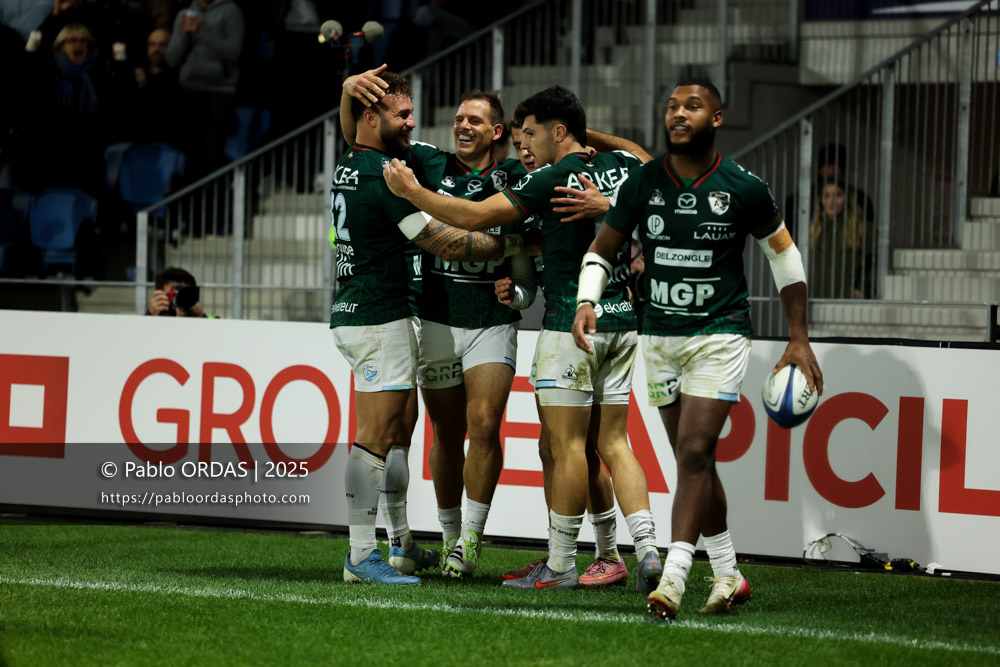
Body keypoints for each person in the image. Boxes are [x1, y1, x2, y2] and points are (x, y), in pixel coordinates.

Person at [383, 85, 663, 593]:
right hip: (622, 318)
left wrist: (412, 195)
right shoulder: (623, 166)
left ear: (558, 132)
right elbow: (646, 159)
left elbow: (475, 218)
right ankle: (643, 549)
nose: (522, 144)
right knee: (612, 442)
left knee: (565, 446)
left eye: (530, 132)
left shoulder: (551, 178)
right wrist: (584, 138)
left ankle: (560, 563)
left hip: (570, 323)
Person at [572, 79, 823, 621]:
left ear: (716, 118)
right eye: (671, 106)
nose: (678, 114)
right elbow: (603, 247)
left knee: (692, 452)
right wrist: (586, 300)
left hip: (720, 334)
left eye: (692, 106)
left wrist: (798, 337)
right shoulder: (643, 183)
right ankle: (729, 573)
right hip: (658, 336)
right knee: (697, 462)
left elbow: (785, 259)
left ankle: (674, 580)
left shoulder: (743, 187)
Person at [332, 70, 534, 586]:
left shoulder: (516, 176)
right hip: (422, 317)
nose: (460, 125)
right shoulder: (419, 161)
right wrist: (511, 246)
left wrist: (525, 287)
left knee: (473, 427)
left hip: (483, 322)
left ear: (496, 132)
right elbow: (448, 243)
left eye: (475, 119)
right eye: (458, 117)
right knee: (420, 433)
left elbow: (358, 135)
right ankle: (405, 545)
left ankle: (453, 542)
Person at [166, 0, 243, 182]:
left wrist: (201, 33)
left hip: (220, 91)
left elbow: (233, 51)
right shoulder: (185, 14)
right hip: (189, 89)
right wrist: (185, 35)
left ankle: (214, 201)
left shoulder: (231, 11)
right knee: (186, 150)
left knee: (212, 151)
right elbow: (171, 58)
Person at [808, 180, 874, 299]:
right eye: (826, 196)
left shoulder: (861, 229)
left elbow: (873, 264)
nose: (831, 201)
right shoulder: (814, 230)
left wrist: (863, 289)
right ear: (821, 200)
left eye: (837, 195)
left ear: (847, 199)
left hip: (847, 302)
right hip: (816, 301)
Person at [147, 266, 211, 316]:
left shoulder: (199, 320)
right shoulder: (152, 321)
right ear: (159, 295)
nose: (180, 298)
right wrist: (150, 314)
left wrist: (202, 317)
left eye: (184, 294)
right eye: (174, 294)